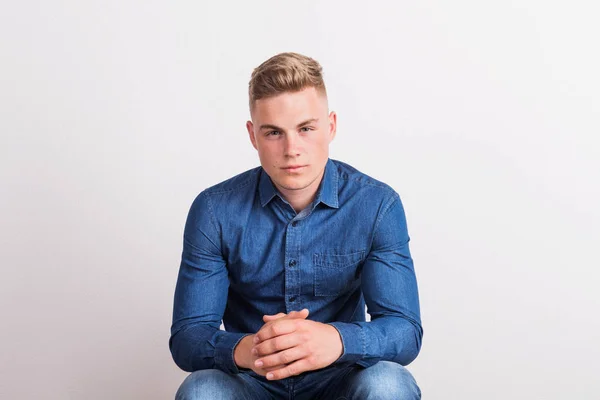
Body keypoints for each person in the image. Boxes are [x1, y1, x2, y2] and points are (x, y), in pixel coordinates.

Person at [169, 52, 423, 399]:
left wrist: (334, 340)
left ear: (330, 126)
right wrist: (251, 348)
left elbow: (405, 331)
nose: (292, 149)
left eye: (306, 128)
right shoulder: (214, 210)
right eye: (274, 132)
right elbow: (188, 338)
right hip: (252, 380)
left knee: (388, 384)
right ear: (253, 136)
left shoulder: (376, 205)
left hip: (340, 376)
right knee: (202, 391)